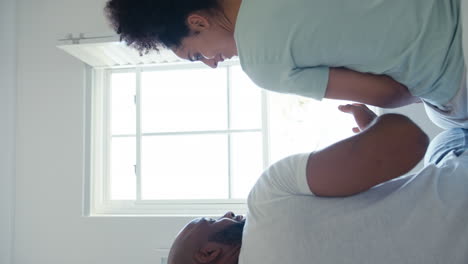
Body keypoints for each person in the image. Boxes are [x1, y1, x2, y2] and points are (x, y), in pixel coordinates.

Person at [167, 104, 468, 264]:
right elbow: (408, 140)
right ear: (207, 254)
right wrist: (375, 126)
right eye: (211, 220)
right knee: (443, 136)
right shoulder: (269, 200)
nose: (228, 215)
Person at [105, 0, 468, 129]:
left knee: (443, 122)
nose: (212, 64)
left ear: (197, 22)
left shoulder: (263, 64)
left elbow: (390, 93)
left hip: (457, 73)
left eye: (197, 54)